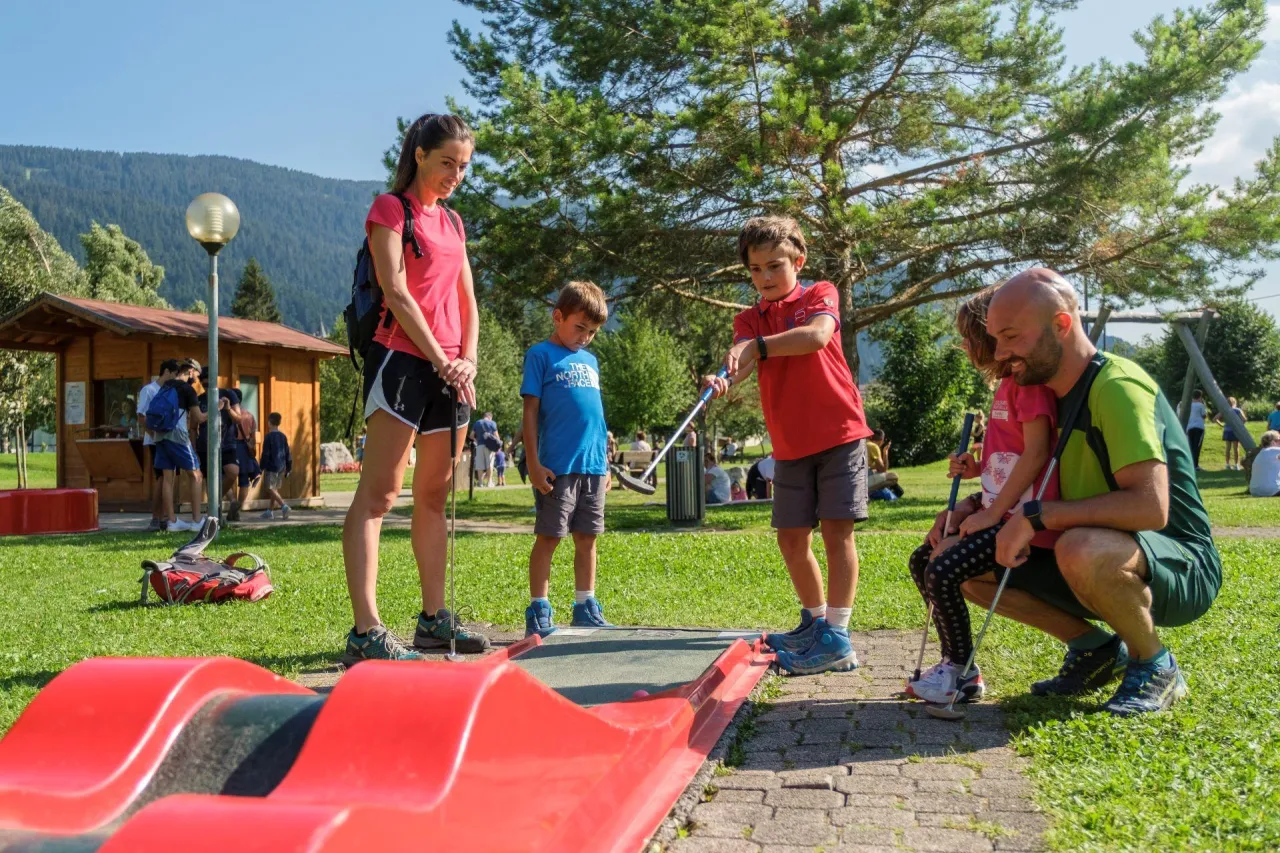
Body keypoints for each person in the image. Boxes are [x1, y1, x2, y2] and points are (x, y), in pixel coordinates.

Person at [944, 267, 1220, 716]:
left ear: (1061, 325)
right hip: (1093, 546)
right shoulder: (1045, 389)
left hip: (1178, 559)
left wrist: (1034, 517)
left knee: (1081, 545)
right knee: (964, 562)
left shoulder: (1116, 387)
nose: (1001, 353)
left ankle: (1155, 663)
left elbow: (1151, 508)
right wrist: (971, 508)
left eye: (1011, 337)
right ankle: (1095, 650)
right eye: (995, 339)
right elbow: (1025, 475)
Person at [341, 112, 490, 663]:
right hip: (402, 361)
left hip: (451, 372)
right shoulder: (390, 210)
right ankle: (366, 631)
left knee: (432, 495)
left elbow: (468, 299)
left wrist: (466, 360)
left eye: (464, 166)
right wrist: (440, 358)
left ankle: (432, 621)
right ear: (420, 154)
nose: (456, 173)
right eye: (447, 162)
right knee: (378, 495)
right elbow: (397, 293)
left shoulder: (452, 223)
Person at [703, 216, 872, 675]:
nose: (765, 278)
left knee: (837, 534)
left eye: (774, 266)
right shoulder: (749, 319)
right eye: (755, 270)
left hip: (838, 433)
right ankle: (816, 623)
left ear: (799, 261)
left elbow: (816, 336)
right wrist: (724, 377)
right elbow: (741, 361)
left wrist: (756, 347)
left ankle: (838, 636)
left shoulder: (821, 294)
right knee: (791, 539)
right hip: (790, 445)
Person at [905, 285, 1060, 704]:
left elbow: (1037, 453)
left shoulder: (1027, 386)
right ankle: (957, 663)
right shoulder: (1005, 388)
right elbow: (1008, 461)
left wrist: (990, 518)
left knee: (941, 569)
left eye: (968, 338)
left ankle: (961, 671)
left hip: (1021, 524)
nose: (964, 346)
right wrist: (976, 473)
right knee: (924, 559)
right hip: (999, 514)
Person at [521, 281, 613, 636]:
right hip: (556, 467)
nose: (585, 337)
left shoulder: (590, 360)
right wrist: (533, 461)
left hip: (592, 466)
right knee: (550, 537)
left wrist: (604, 461)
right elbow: (530, 412)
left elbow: (597, 416)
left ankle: (585, 603)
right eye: (580, 327)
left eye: (592, 332)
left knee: (587, 538)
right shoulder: (540, 355)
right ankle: (539, 607)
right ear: (558, 317)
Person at [149, 359, 206, 532]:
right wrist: (217, 408)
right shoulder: (187, 389)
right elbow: (199, 418)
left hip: (160, 435)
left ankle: (172, 521)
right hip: (177, 435)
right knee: (196, 475)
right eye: (196, 375)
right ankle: (197, 521)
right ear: (190, 371)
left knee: (168, 478)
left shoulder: (165, 386)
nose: (197, 379)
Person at [139, 360, 182, 531]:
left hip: (171, 440)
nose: (176, 377)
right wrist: (155, 436)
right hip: (156, 441)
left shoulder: (172, 391)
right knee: (161, 478)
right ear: (166, 372)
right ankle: (156, 517)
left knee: (170, 478)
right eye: (174, 374)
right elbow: (142, 416)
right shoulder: (148, 390)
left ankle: (167, 516)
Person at [259, 412, 293, 519]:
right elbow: (287, 452)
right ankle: (270, 511)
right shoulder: (283, 436)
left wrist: (261, 467)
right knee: (274, 489)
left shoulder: (268, 437)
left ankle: (284, 506)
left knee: (269, 488)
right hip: (281, 467)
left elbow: (265, 454)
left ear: (269, 422)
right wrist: (288, 467)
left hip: (271, 467)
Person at [1214, 397, 1246, 470]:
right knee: (1236, 448)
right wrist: (1239, 425)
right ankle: (1236, 465)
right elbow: (1244, 419)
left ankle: (1227, 464)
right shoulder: (1237, 410)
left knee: (1228, 448)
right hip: (1235, 431)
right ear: (1235, 402)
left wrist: (1222, 425)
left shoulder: (1224, 410)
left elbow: (1214, 419)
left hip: (1227, 431)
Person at [866, 429, 900, 494]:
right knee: (894, 477)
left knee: (877, 472)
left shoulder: (864, 443)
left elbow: (872, 467)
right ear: (881, 440)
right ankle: (867, 492)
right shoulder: (873, 446)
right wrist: (885, 453)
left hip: (857, 478)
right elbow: (883, 470)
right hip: (864, 481)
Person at [471, 410, 501, 486]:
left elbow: (471, 435)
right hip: (490, 446)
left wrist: (477, 441)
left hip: (479, 446)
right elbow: (497, 436)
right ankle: (489, 482)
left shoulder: (477, 422)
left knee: (479, 464)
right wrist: (498, 446)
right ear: (489, 417)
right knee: (490, 464)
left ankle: (480, 483)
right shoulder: (492, 423)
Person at [1247, 430, 1280, 497]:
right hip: (1272, 490)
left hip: (1255, 492)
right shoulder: (1274, 450)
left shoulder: (1261, 453)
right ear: (1273, 442)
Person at [1186, 389, 1208, 471]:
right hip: (1199, 427)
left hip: (1190, 427)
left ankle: (1191, 464)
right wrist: (1204, 404)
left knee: (1191, 446)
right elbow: (1204, 415)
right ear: (1200, 396)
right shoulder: (1201, 405)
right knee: (1197, 447)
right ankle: (1195, 465)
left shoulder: (1189, 405)